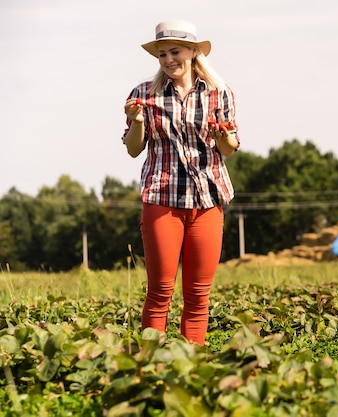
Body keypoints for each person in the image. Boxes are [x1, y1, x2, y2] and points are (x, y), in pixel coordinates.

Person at [122, 20, 240, 345]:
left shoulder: (220, 93)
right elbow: (133, 150)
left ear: (193, 51)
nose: (169, 60)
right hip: (162, 197)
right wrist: (136, 121)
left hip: (207, 199)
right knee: (160, 291)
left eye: (175, 52)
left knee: (198, 295)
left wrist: (222, 137)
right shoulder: (144, 94)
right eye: (162, 54)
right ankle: (151, 365)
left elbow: (229, 149)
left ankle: (192, 365)